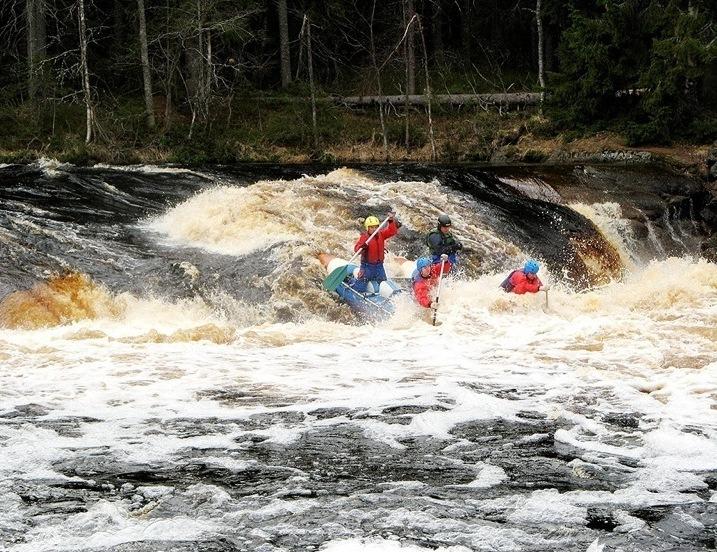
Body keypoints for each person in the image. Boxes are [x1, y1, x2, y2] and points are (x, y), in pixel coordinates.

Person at [352, 211, 400, 293]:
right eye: (372, 227)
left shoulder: (381, 234)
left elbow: (392, 231)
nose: (374, 229)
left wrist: (391, 221)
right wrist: (362, 247)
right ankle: (355, 290)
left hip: (379, 267)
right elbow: (356, 249)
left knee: (383, 284)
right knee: (360, 287)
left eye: (376, 227)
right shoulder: (364, 238)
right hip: (367, 268)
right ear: (367, 228)